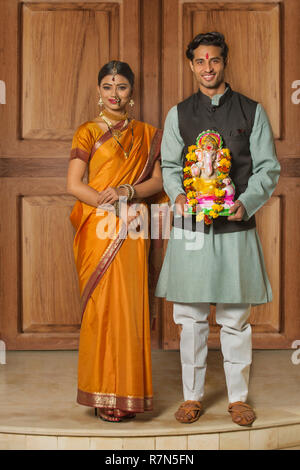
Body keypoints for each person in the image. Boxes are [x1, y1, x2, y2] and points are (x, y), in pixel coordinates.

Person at [155, 32, 281, 426]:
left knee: (234, 319)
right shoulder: (178, 113)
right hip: (191, 229)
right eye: (199, 61)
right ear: (191, 65)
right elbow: (170, 167)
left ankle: (238, 398)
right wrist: (177, 196)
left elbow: (267, 168)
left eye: (214, 60)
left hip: (235, 227)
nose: (207, 68)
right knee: (189, 320)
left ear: (224, 62)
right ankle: (192, 397)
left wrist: (247, 201)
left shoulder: (251, 111)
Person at [67, 60, 167, 422]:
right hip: (99, 227)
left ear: (132, 92)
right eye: (107, 86)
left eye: (121, 86)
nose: (114, 94)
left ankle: (128, 394)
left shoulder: (149, 133)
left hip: (134, 224)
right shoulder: (87, 132)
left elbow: (158, 183)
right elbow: (75, 185)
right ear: (98, 91)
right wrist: (110, 208)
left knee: (129, 307)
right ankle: (100, 391)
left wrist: (126, 192)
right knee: (101, 310)